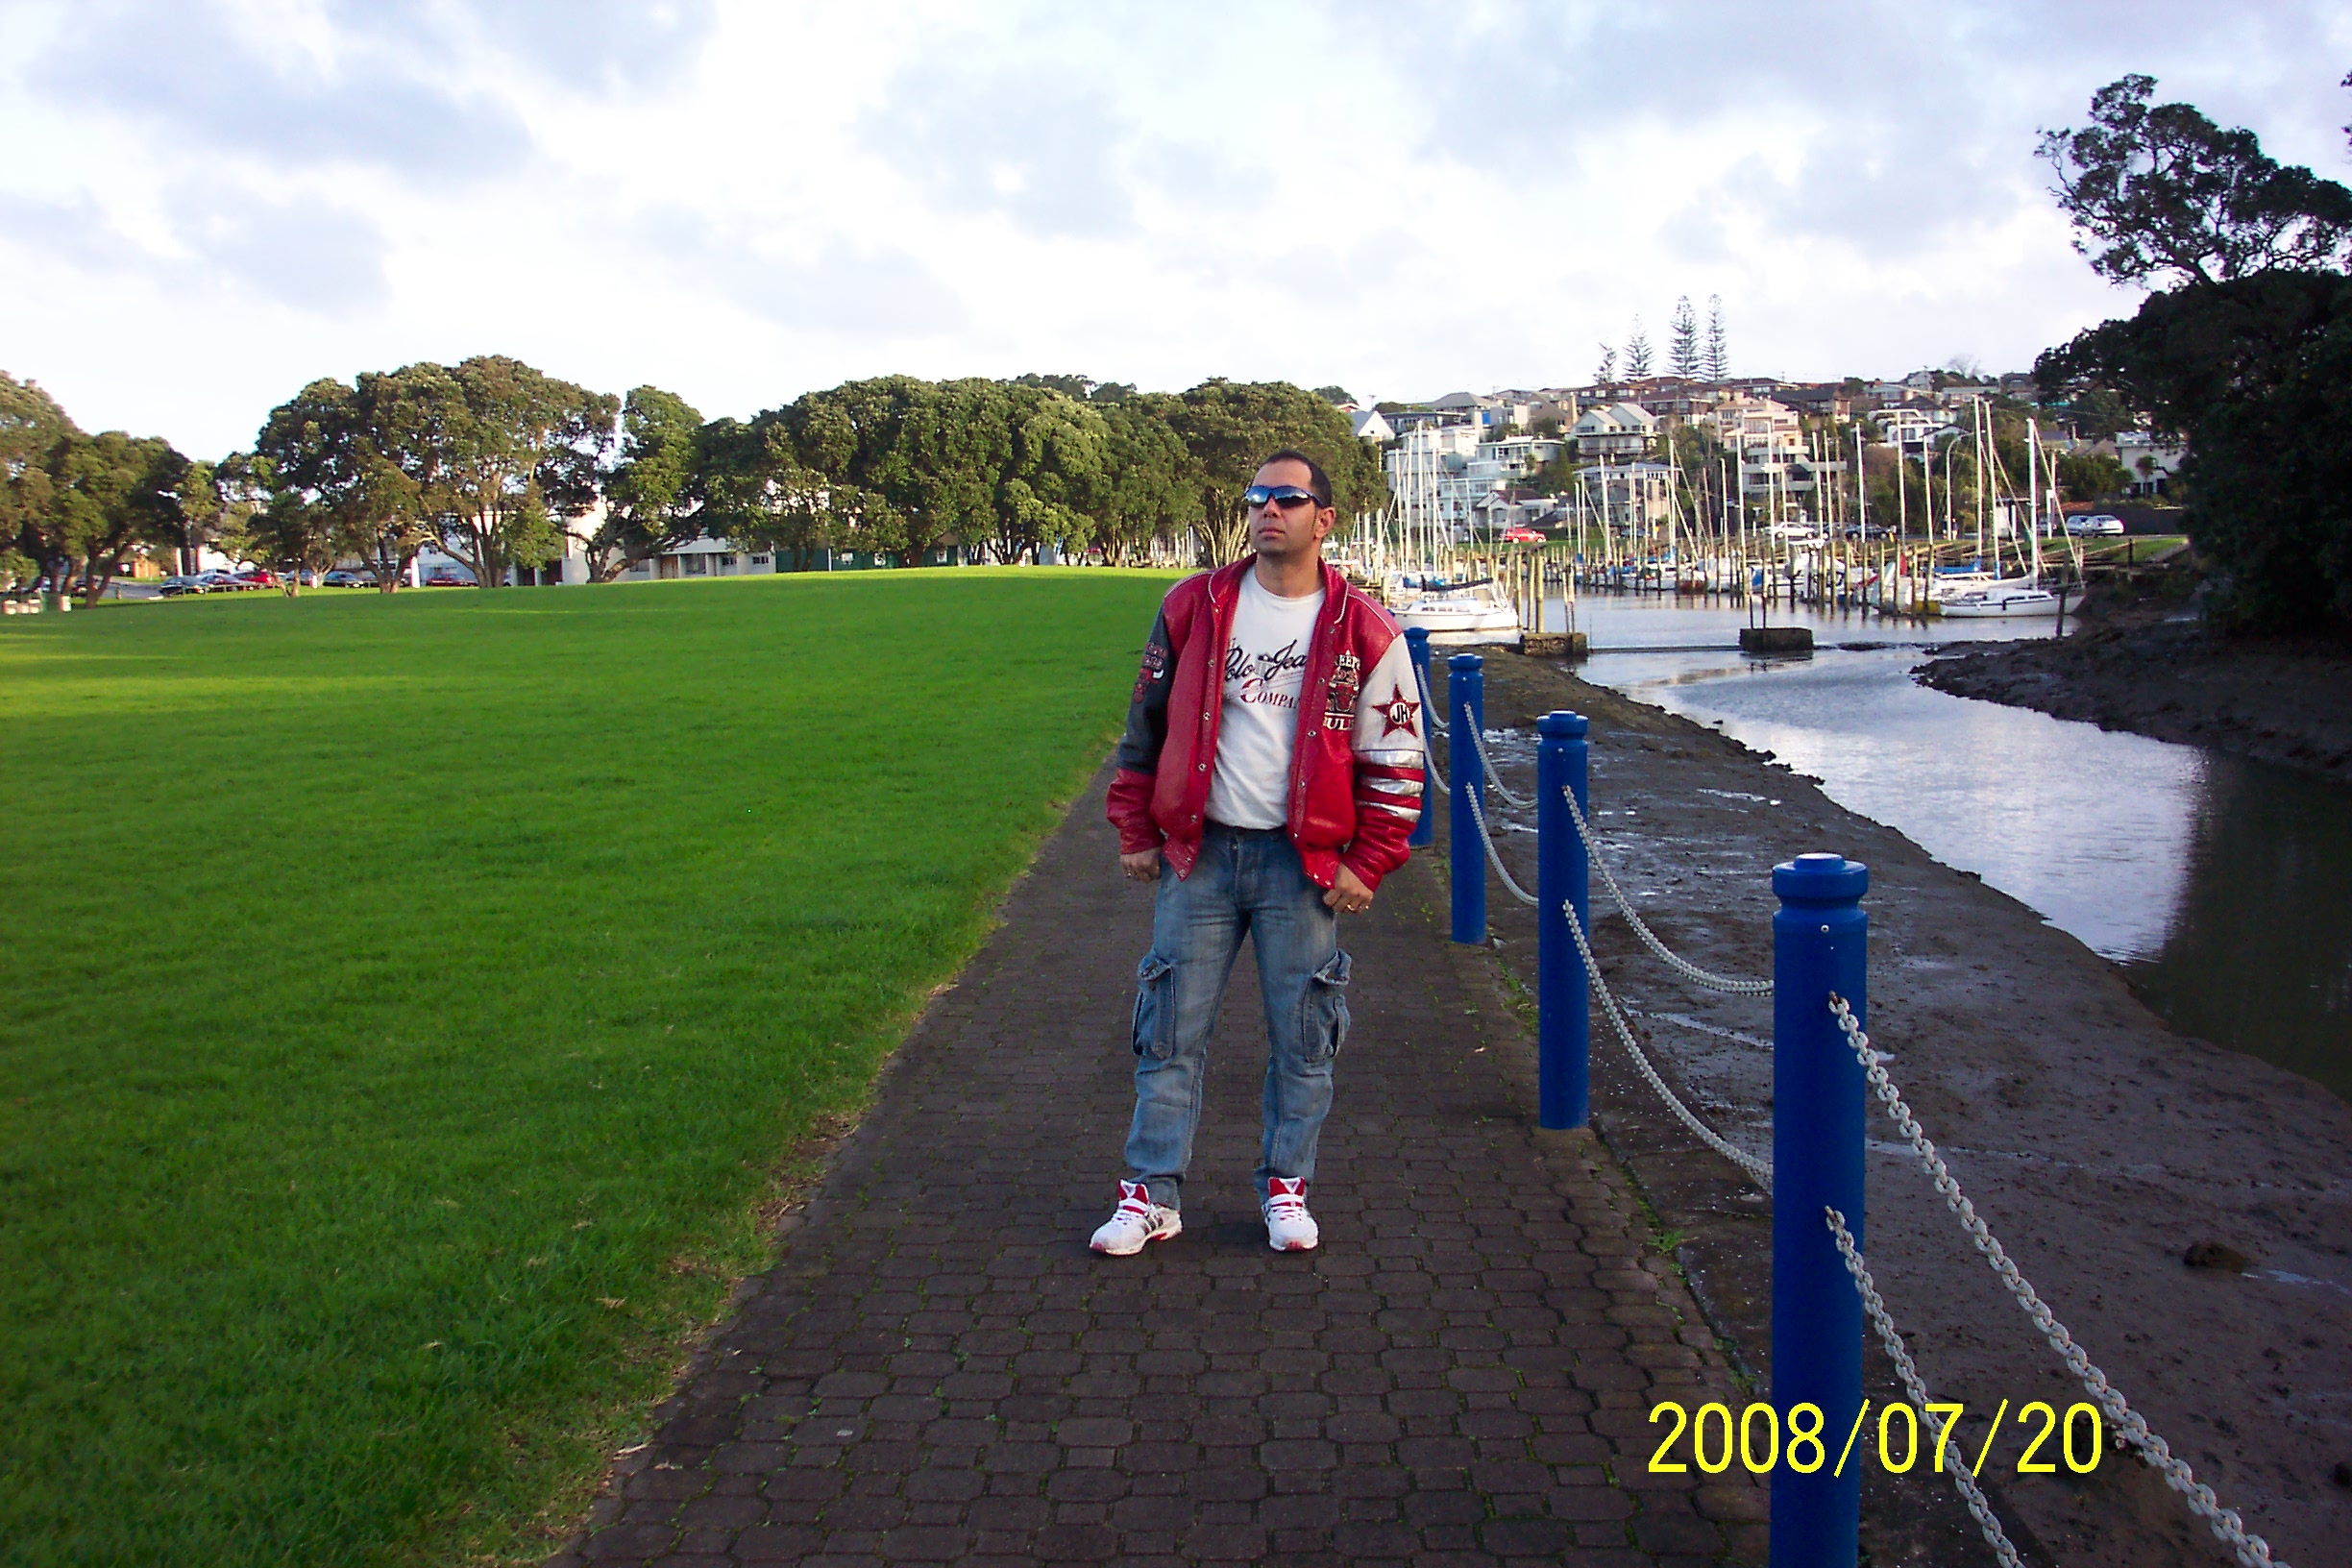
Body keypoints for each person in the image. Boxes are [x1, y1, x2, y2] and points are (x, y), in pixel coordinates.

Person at [1092, 449, 1426, 1255]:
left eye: (1287, 497)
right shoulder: (1193, 606)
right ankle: (1151, 1197)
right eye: (1256, 496)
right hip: (1199, 857)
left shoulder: (1365, 628)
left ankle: (1286, 1188)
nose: (1268, 509)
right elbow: (1145, 727)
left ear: (1324, 519)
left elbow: (1396, 758)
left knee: (1305, 1038)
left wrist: (1368, 861)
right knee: (1168, 1034)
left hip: (1301, 867)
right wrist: (1136, 828)